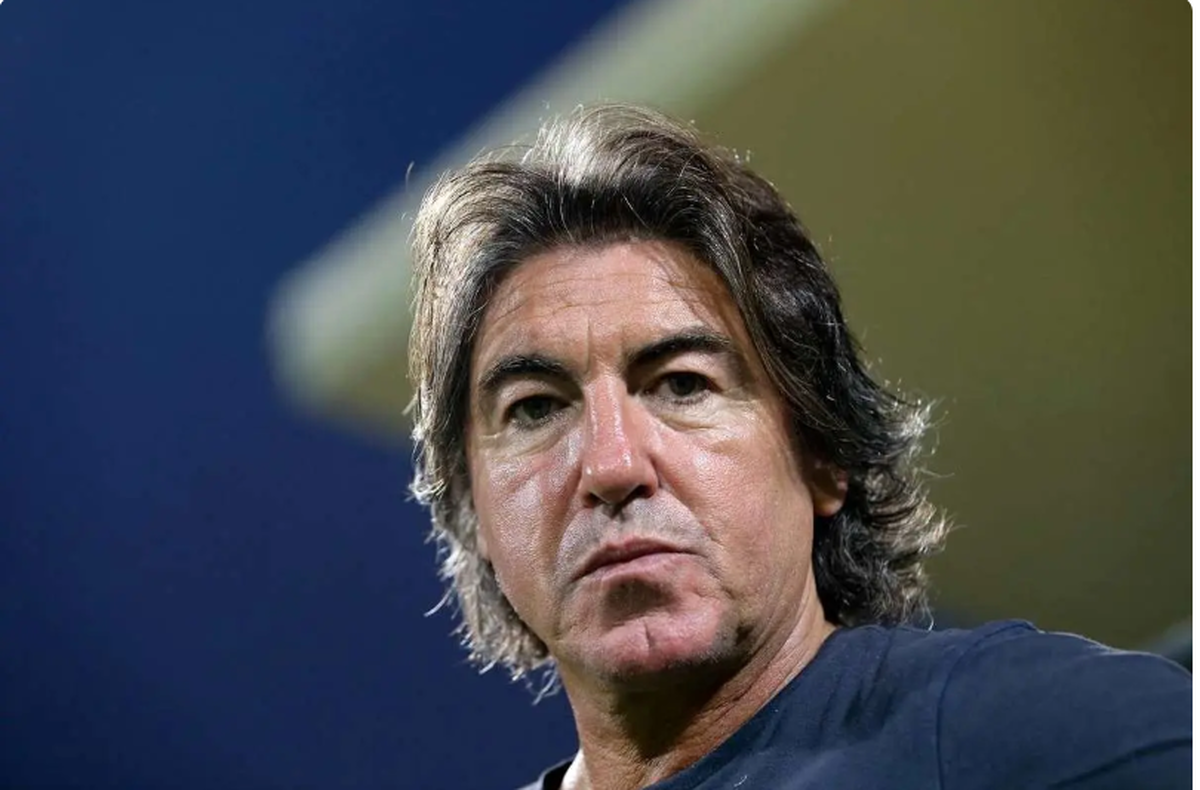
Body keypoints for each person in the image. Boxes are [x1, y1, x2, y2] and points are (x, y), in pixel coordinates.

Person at [406, 103, 1190, 790]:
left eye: (683, 385)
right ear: (472, 508)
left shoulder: (1004, 730)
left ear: (821, 452)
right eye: (536, 408)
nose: (613, 466)